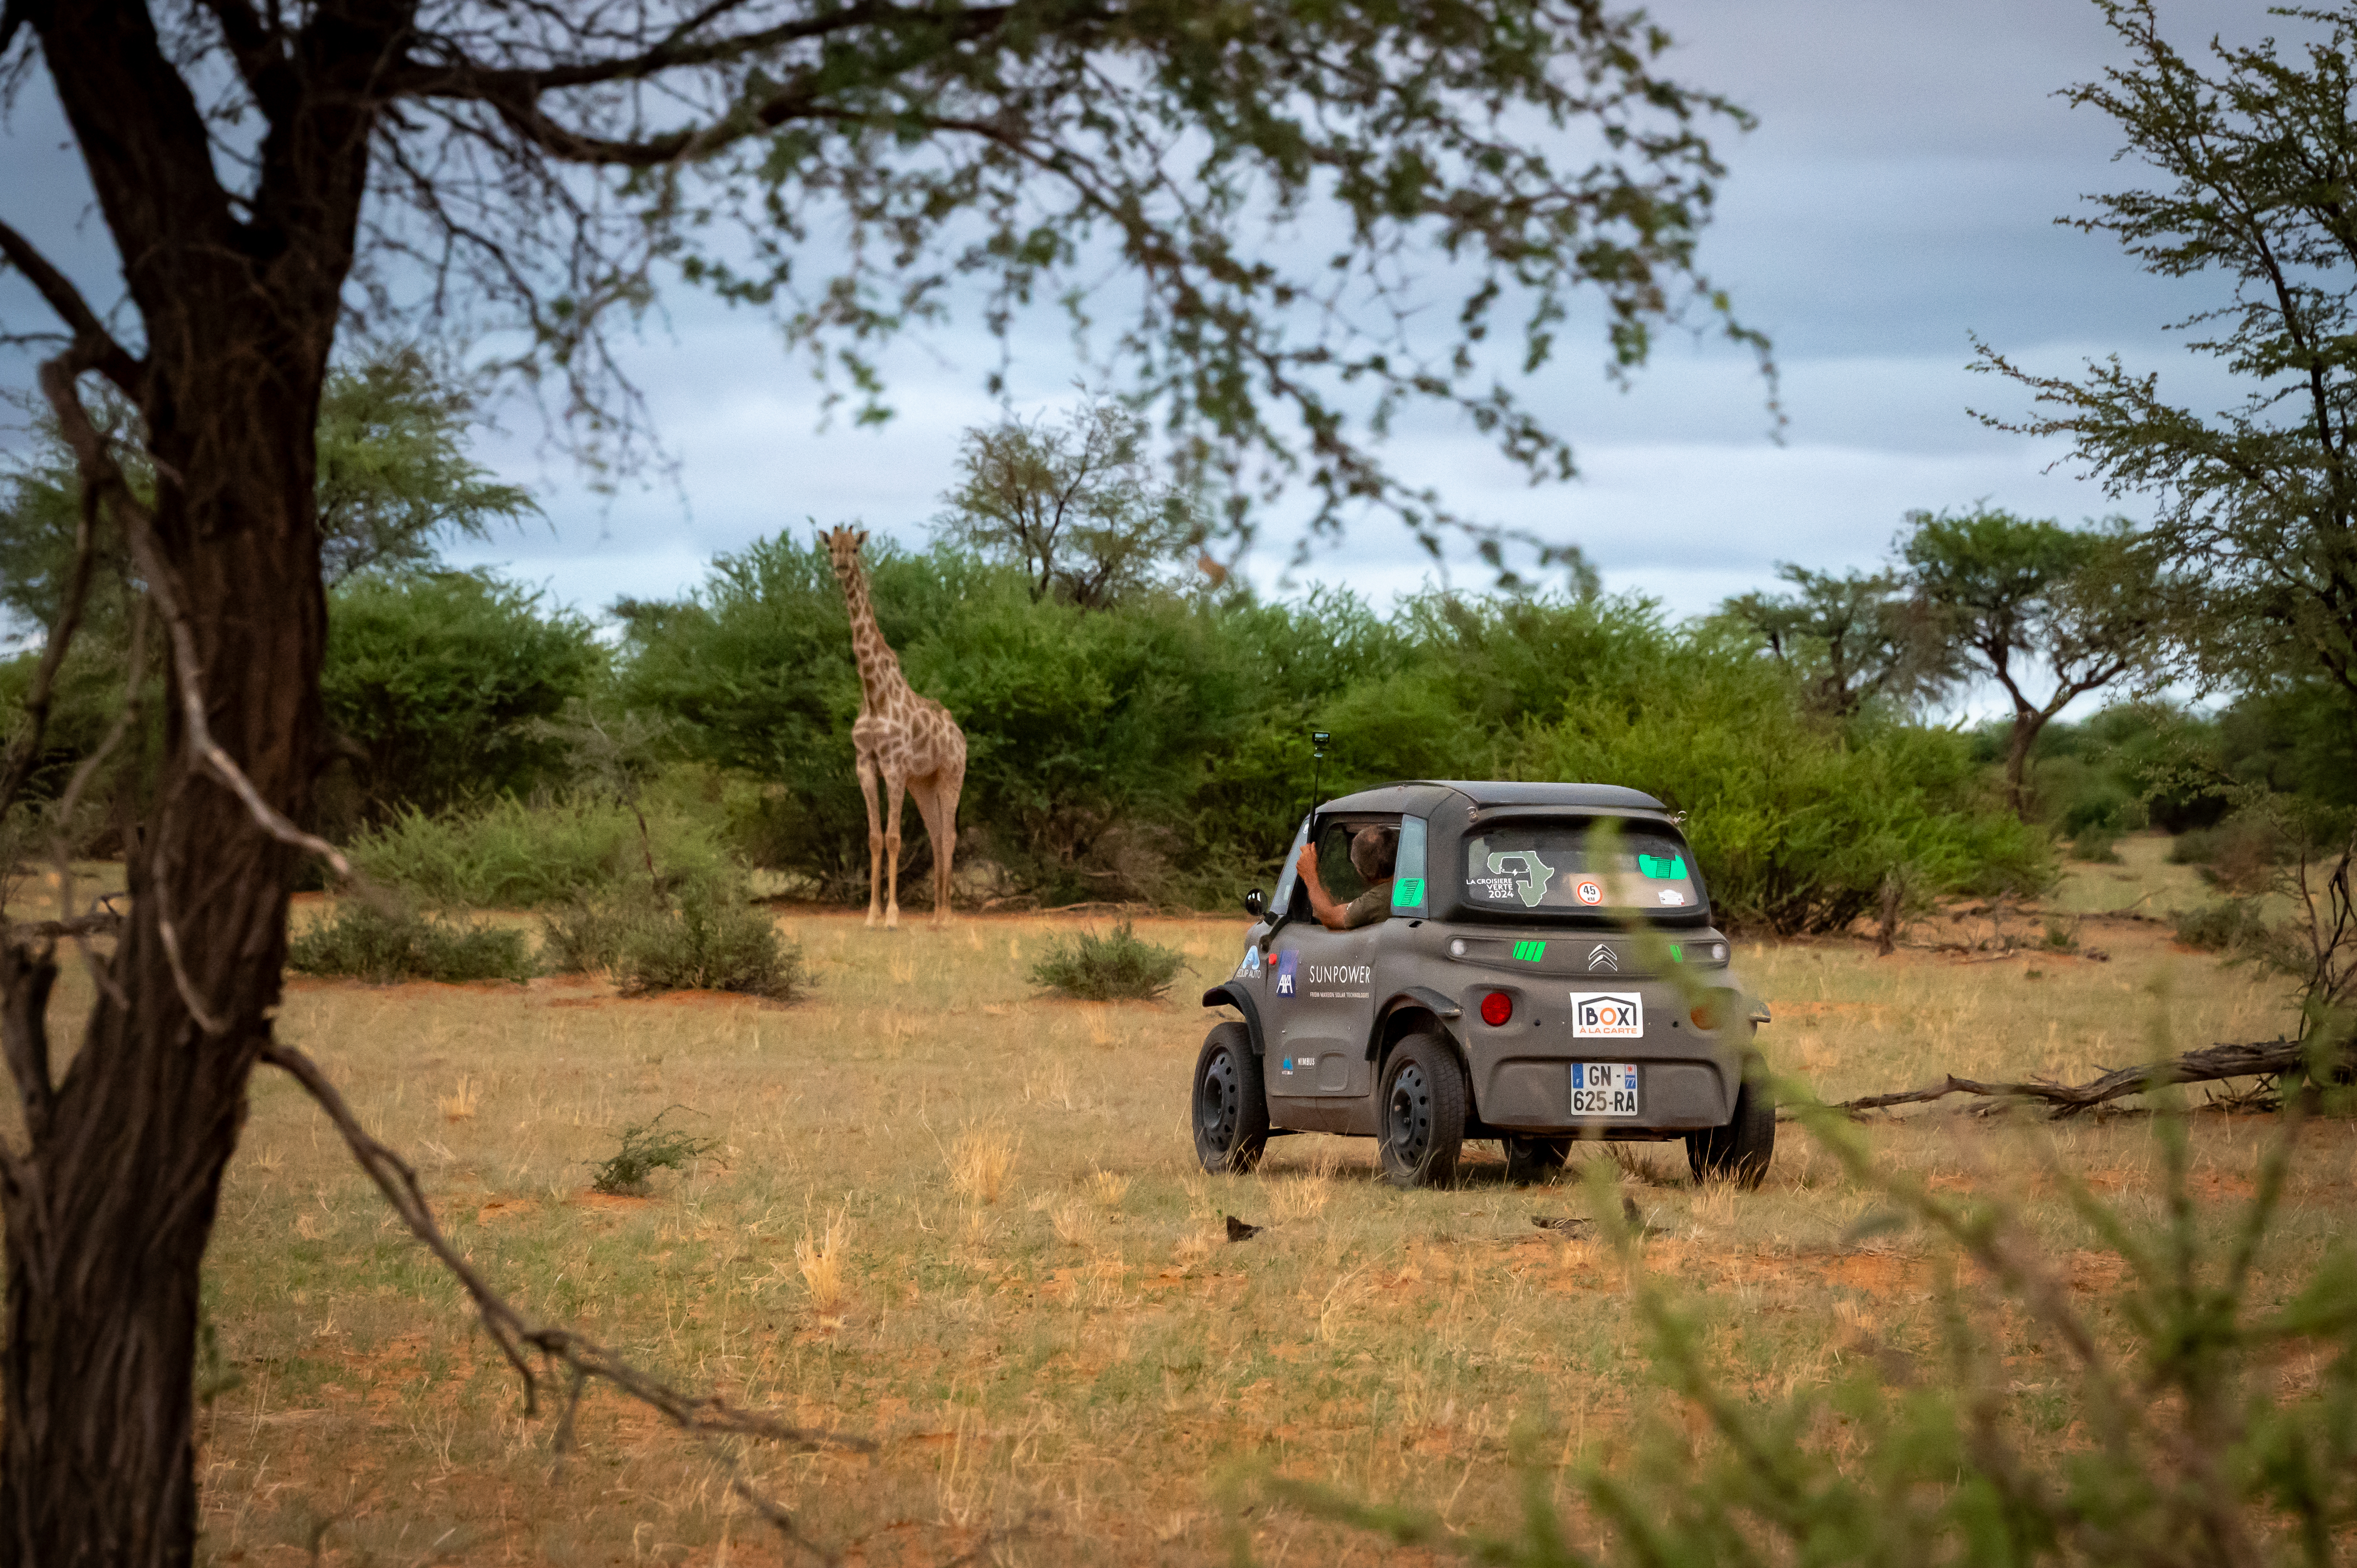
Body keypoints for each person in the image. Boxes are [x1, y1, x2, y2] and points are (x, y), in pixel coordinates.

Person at [1295, 825, 1398, 931]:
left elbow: (1330, 918)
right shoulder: (1405, 884)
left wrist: (1310, 876)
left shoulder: (1378, 900)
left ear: (1361, 872)